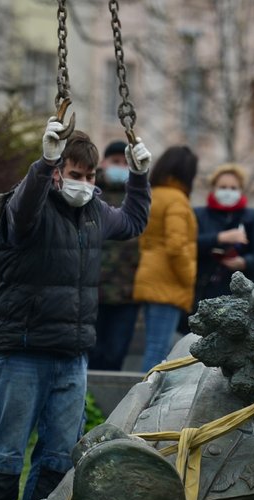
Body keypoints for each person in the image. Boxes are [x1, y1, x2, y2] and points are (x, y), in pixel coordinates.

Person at [0, 122, 152, 500]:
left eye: (91, 177)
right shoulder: (23, 208)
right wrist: (43, 162)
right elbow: (23, 210)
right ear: (58, 174)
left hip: (71, 355)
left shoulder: (93, 212)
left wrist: (139, 177)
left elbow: (133, 221)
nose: (85, 183)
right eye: (76, 175)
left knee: (58, 456)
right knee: (6, 453)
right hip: (23, 350)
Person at [132, 145, 199, 372]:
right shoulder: (177, 200)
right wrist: (189, 275)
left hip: (149, 273)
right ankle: (145, 401)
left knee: (153, 344)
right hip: (167, 280)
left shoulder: (153, 194)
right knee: (158, 349)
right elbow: (176, 244)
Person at [189, 163, 254, 328]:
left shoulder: (251, 217)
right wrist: (219, 238)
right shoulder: (199, 214)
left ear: (241, 189)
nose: (228, 191)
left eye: (233, 188)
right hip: (203, 290)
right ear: (213, 188)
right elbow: (189, 245)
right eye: (223, 187)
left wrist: (244, 262)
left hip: (240, 295)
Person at [89, 140, 141, 371]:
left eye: (125, 162)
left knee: (115, 354)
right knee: (91, 353)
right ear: (103, 163)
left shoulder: (137, 198)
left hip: (127, 293)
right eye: (115, 161)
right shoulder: (90, 192)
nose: (120, 166)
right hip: (92, 289)